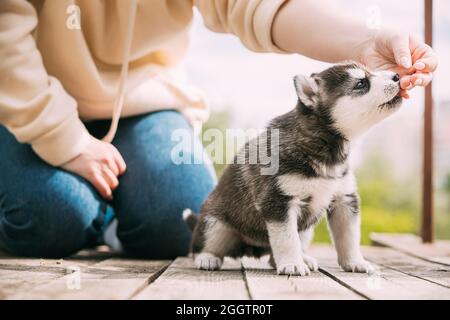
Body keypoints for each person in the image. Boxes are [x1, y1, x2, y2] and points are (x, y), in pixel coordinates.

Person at [0, 0, 437, 258]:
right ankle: (82, 211)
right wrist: (63, 136)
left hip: (138, 99)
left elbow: (253, 7)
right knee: (51, 218)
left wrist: (362, 42)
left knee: (177, 226)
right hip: (19, 97)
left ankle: (110, 216)